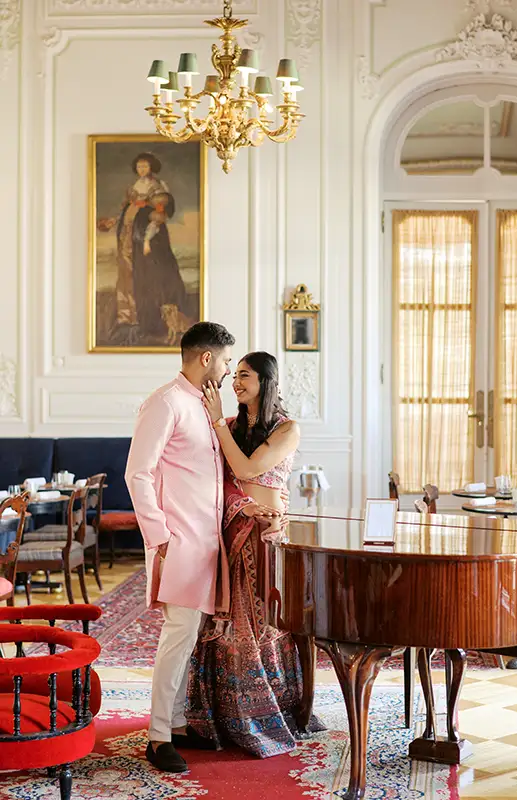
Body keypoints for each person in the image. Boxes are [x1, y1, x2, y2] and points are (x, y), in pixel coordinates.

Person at [125, 323, 277, 774]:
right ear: (207, 359)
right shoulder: (165, 402)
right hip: (179, 540)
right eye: (228, 361)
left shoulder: (206, 408)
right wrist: (161, 537)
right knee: (177, 636)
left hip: (206, 539)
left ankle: (172, 723)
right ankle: (157, 738)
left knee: (188, 634)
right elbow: (138, 473)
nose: (230, 370)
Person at [186, 351, 324, 757]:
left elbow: (248, 469)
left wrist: (216, 423)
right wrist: (241, 506)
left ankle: (275, 709)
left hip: (270, 536)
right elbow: (220, 480)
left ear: (266, 381)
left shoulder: (288, 429)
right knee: (231, 622)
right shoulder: (228, 426)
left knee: (271, 621)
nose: (236, 382)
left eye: (245, 376)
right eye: (236, 376)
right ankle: (231, 716)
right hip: (234, 532)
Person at [98, 152, 189, 346]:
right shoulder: (133, 187)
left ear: (152, 167)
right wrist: (113, 221)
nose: (142, 170)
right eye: (139, 167)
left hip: (146, 235)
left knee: (147, 273)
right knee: (127, 272)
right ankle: (127, 317)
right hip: (126, 234)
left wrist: (149, 214)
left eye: (145, 166)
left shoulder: (158, 186)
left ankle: (149, 320)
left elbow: (161, 211)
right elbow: (125, 208)